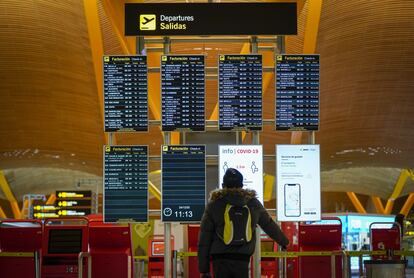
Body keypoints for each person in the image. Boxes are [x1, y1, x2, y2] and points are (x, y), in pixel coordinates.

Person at [198, 168, 289, 278]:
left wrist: (204, 269)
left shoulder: (214, 204)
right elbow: (268, 224)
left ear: (223, 185)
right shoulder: (252, 203)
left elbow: (204, 238)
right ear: (241, 185)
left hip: (220, 258)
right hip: (242, 258)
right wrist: (284, 241)